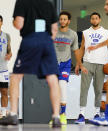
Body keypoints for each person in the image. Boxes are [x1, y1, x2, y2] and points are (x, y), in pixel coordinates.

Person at [0, 0, 61, 128]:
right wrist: (46, 40)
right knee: (52, 78)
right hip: (47, 41)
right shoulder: (48, 4)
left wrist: (14, 22)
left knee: (16, 77)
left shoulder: (23, 2)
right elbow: (55, 28)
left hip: (30, 39)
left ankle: (13, 115)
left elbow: (19, 24)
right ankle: (56, 117)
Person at [74, 12, 108, 125]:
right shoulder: (85, 32)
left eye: (96, 18)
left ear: (100, 20)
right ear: (90, 20)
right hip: (88, 63)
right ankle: (81, 114)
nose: (94, 20)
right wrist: (79, 63)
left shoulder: (106, 32)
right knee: (84, 89)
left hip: (101, 64)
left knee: (98, 90)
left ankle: (97, 113)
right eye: (92, 18)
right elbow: (82, 48)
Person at [48, 11, 81, 125]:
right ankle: (55, 116)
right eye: (61, 19)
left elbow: (76, 50)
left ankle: (63, 115)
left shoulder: (73, 34)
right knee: (54, 89)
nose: (62, 21)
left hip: (65, 64)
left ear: (68, 21)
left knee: (62, 86)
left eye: (64, 19)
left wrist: (79, 64)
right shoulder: (53, 32)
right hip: (53, 63)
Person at [0, 15, 12, 118]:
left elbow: (9, 51)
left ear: (2, 22)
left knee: (4, 91)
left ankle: (3, 113)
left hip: (3, 69)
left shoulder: (6, 36)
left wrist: (9, 55)